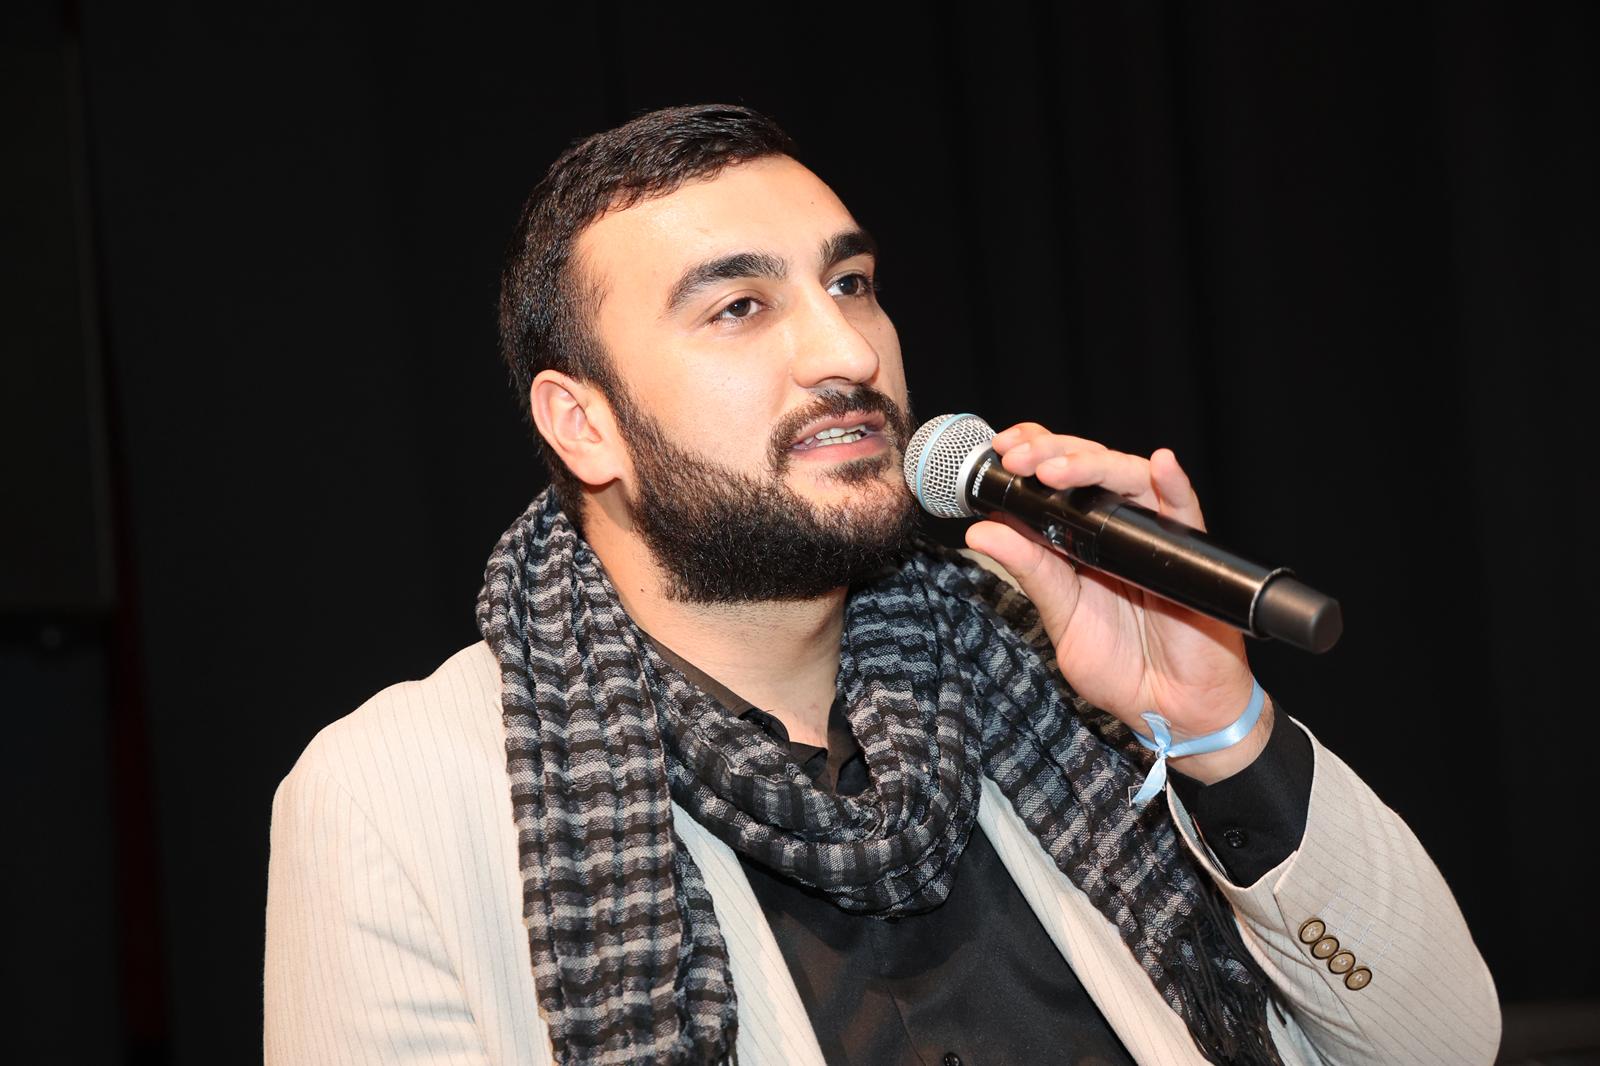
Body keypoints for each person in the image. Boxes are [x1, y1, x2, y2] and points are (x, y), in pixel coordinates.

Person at [264, 105, 1499, 1066]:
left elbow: (1444, 1043)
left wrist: (1217, 729)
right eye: (740, 306)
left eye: (849, 283)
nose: (847, 351)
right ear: (583, 424)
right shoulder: (398, 796)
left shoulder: (1045, 666)